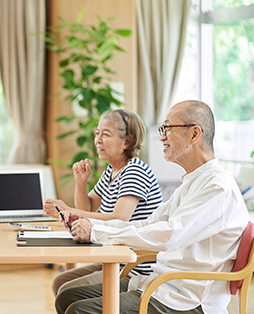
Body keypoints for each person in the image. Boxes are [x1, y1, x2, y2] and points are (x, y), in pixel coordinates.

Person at [55, 100, 249, 314]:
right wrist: (95, 230)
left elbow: (170, 235)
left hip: (185, 299)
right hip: (160, 284)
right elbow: (149, 223)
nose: (162, 136)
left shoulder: (216, 187)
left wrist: (97, 232)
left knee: (78, 310)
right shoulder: (192, 182)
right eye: (162, 128)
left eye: (168, 128)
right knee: (67, 296)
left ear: (194, 134)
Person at [43, 109, 163, 295]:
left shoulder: (135, 171)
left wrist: (69, 209)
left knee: (68, 290)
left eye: (105, 134)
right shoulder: (112, 171)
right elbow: (88, 207)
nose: (98, 140)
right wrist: (80, 182)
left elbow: (119, 219)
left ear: (127, 141)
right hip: (114, 259)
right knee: (60, 281)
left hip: (133, 268)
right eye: (97, 133)